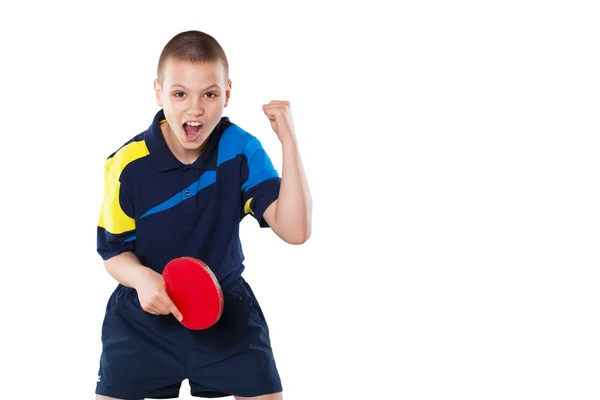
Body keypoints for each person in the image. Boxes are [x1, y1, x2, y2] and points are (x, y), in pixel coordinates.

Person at [95, 30, 312, 400]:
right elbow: (113, 252)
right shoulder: (126, 163)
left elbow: (295, 231)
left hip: (226, 314)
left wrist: (288, 139)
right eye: (179, 93)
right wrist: (144, 279)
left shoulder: (240, 150)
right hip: (143, 318)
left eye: (209, 94)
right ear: (158, 91)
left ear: (227, 94)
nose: (194, 109)